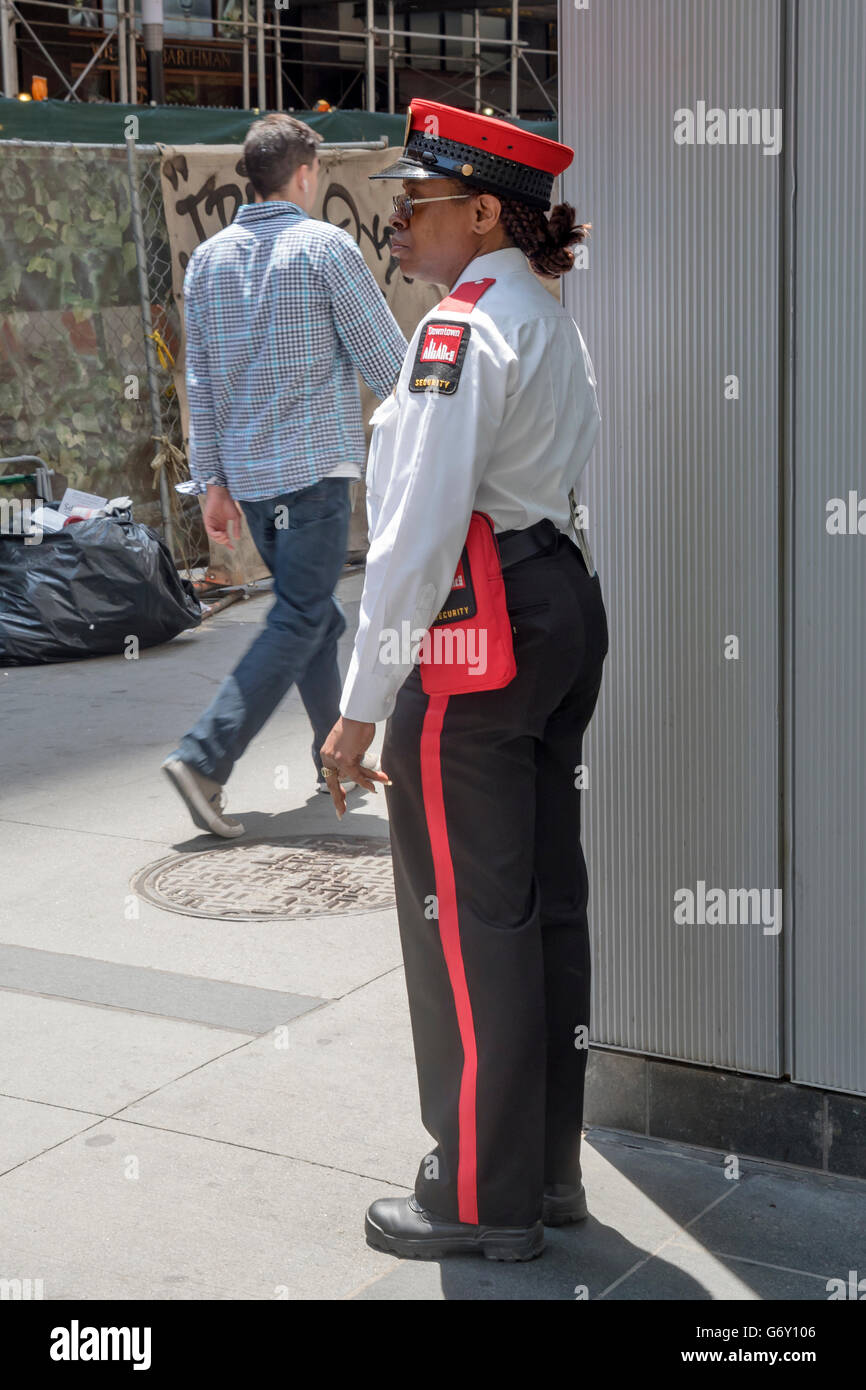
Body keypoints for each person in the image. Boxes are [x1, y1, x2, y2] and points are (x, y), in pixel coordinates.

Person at [320, 99, 610, 1262]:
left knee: (463, 921)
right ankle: (543, 1175)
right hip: (553, 601)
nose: (395, 221)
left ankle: (477, 1199)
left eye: (416, 202)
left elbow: (415, 537)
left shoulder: (458, 327)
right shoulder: (540, 311)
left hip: (475, 626)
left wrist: (353, 711)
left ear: (484, 212)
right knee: (543, 904)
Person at [163, 113, 407, 838]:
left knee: (315, 616)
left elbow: (197, 380)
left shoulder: (208, 259)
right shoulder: (325, 246)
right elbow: (387, 361)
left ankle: (333, 755)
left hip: (252, 480)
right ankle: (204, 756)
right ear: (304, 174)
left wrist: (211, 480)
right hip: (314, 474)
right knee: (302, 615)